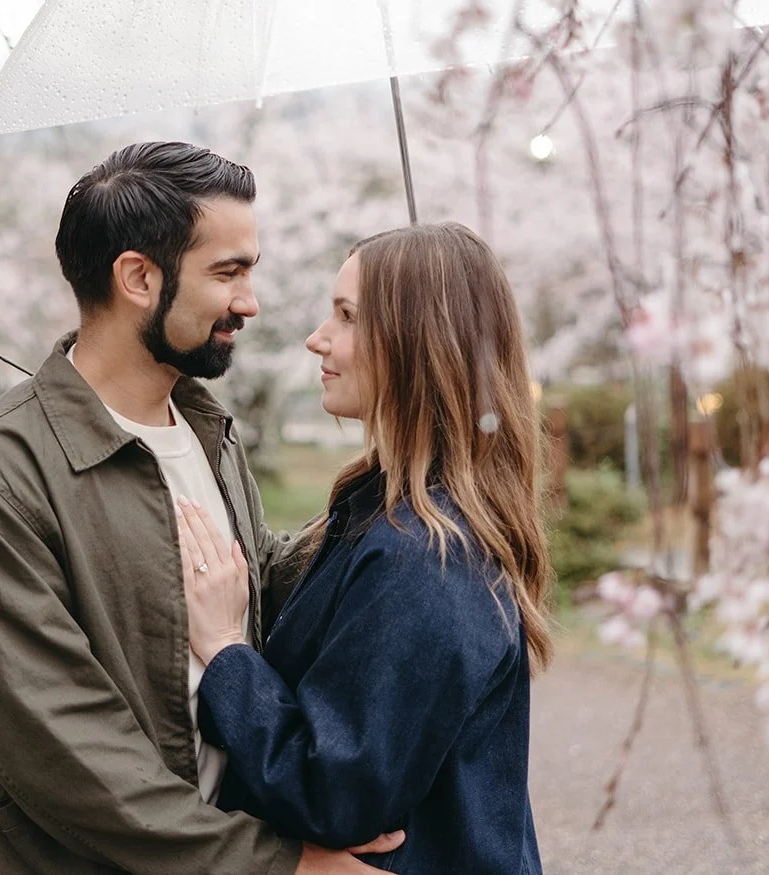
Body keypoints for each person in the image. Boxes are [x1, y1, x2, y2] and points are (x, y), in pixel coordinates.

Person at [0, 141, 402, 874]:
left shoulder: (206, 432)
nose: (251, 301)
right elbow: (66, 748)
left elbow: (242, 582)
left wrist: (394, 489)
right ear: (139, 276)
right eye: (228, 272)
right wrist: (282, 864)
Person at [177, 221, 554, 874]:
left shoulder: (427, 558)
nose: (317, 338)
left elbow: (338, 793)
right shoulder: (388, 513)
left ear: (417, 345)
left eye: (347, 317)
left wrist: (224, 652)